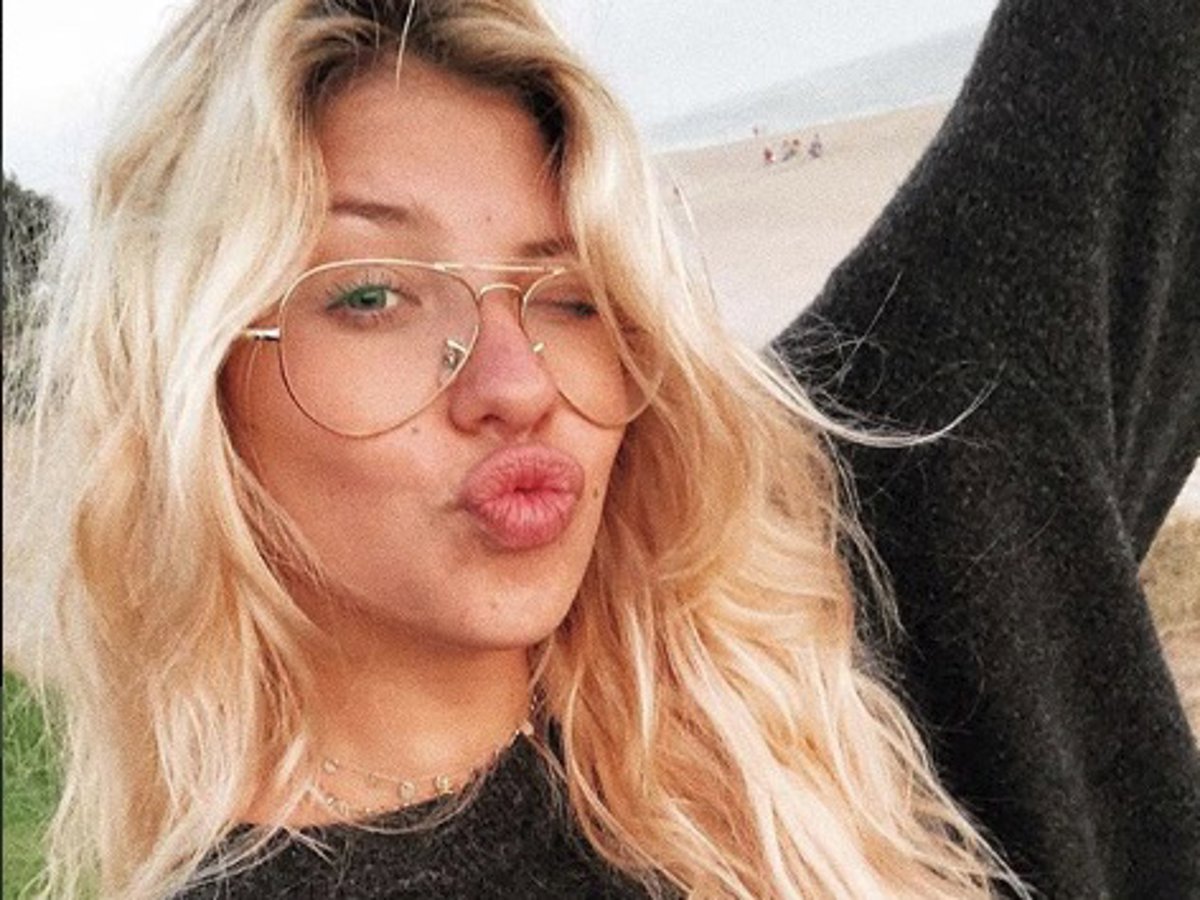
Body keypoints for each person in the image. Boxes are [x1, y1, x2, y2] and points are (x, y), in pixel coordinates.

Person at [4, 1, 1196, 899]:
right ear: (193, 383)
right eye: (372, 296)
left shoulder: (820, 577)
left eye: (572, 296)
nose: (517, 385)